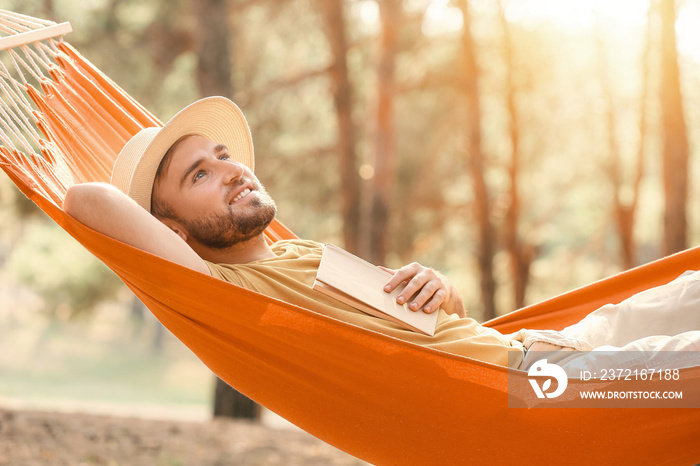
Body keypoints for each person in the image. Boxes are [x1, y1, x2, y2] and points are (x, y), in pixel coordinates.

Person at [64, 96, 700, 375]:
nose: (232, 168)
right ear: (167, 226)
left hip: (540, 346)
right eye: (199, 173)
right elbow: (86, 199)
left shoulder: (298, 253)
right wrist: (46, 154)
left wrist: (441, 291)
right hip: (543, 392)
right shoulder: (225, 290)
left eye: (224, 153)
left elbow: (434, 332)